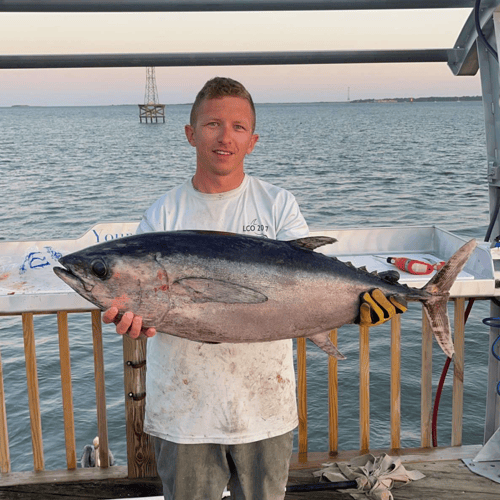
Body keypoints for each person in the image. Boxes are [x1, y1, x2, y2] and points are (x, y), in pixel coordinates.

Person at [103, 77, 406, 500]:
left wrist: (357, 305)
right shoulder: (163, 213)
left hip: (265, 405)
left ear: (253, 140)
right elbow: (146, 302)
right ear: (190, 134)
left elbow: (306, 286)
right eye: (212, 124)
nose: (225, 136)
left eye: (238, 127)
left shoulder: (278, 204)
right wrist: (132, 321)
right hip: (184, 411)